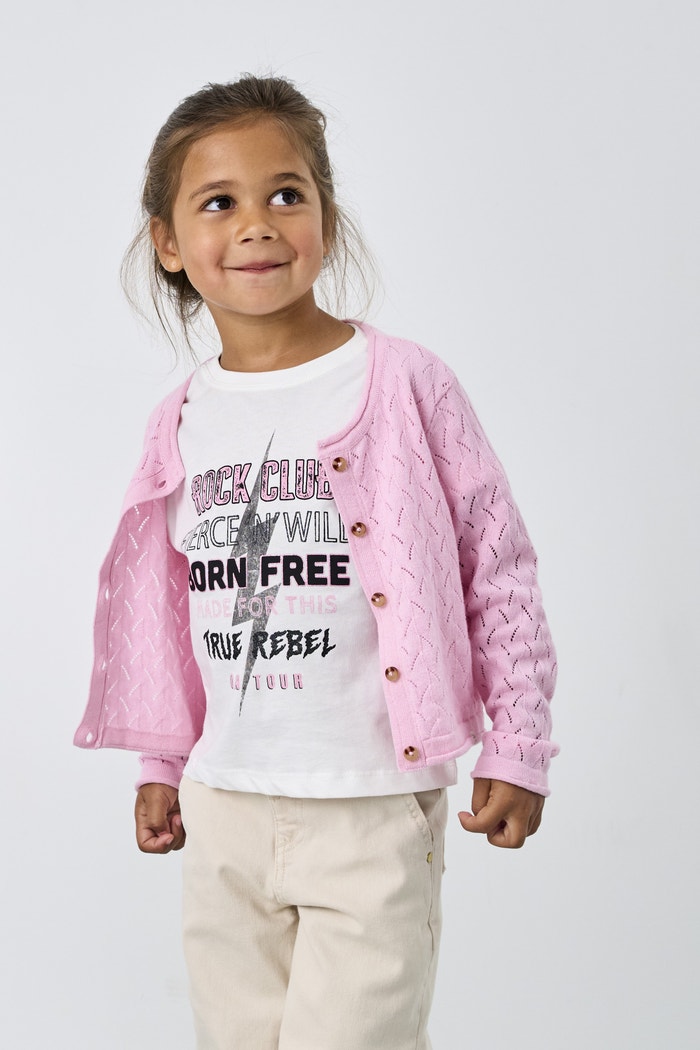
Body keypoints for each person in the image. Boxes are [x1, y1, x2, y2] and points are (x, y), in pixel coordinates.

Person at [74, 75, 558, 1050]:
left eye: (285, 194)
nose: (257, 223)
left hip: (368, 803)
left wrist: (519, 741)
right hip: (224, 807)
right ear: (169, 243)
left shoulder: (404, 382)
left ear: (326, 222)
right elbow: (173, 603)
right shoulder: (180, 418)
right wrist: (163, 759)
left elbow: (496, 565)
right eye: (219, 202)